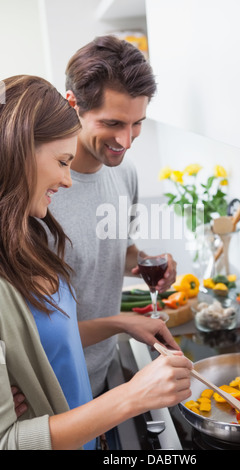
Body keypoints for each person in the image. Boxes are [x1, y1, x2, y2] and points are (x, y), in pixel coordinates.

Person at [0, 75, 192, 450]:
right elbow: (7, 441)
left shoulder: (32, 233)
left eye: (137, 124)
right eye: (61, 161)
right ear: (17, 151)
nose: (68, 180)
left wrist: (118, 323)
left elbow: (44, 340)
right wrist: (132, 397)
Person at [49, 35, 178, 398]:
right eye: (113, 123)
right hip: (51, 387)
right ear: (73, 104)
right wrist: (121, 323)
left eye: (137, 123)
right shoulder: (39, 191)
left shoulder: (124, 173)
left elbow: (111, 251)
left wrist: (150, 263)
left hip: (101, 374)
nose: (127, 139)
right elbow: (30, 331)